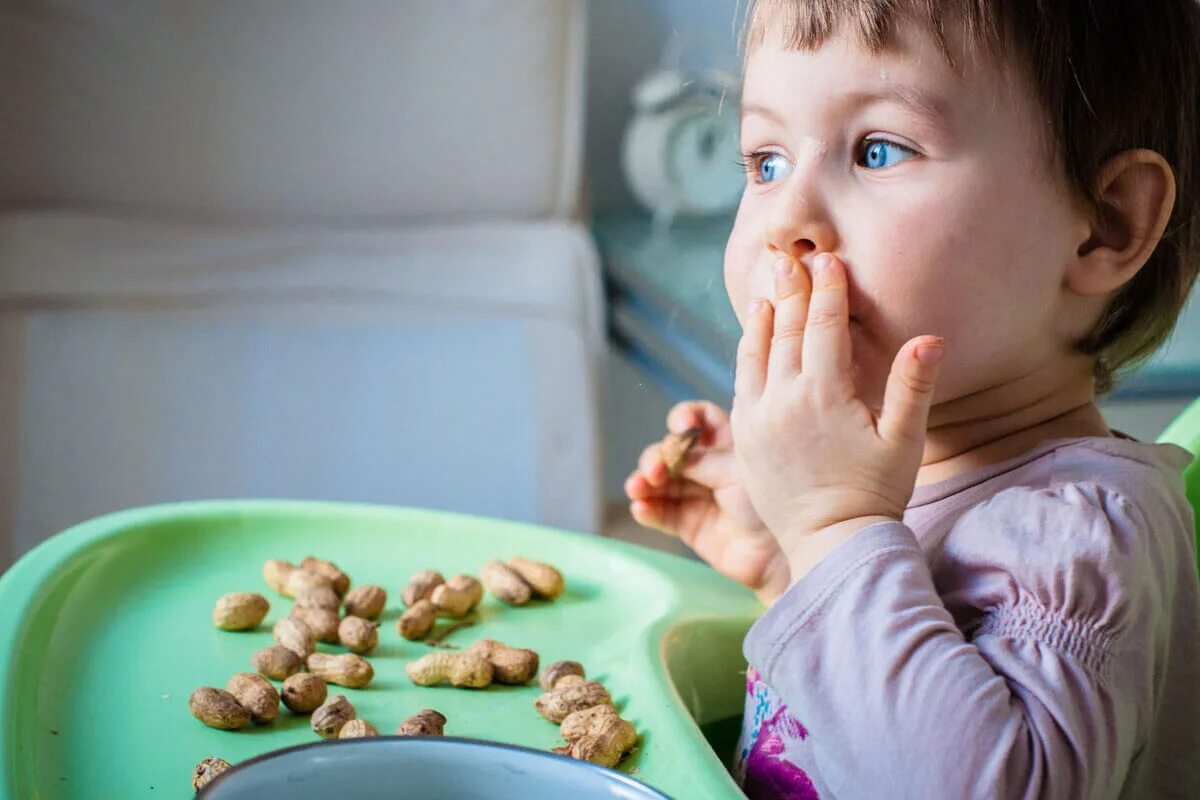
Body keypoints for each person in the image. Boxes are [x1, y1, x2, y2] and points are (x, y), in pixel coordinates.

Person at [625, 1, 1200, 796]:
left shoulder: (1079, 532)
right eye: (765, 162)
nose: (785, 220)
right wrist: (788, 563)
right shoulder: (910, 487)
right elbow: (862, 722)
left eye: (878, 150)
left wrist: (834, 530)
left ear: (1104, 225)